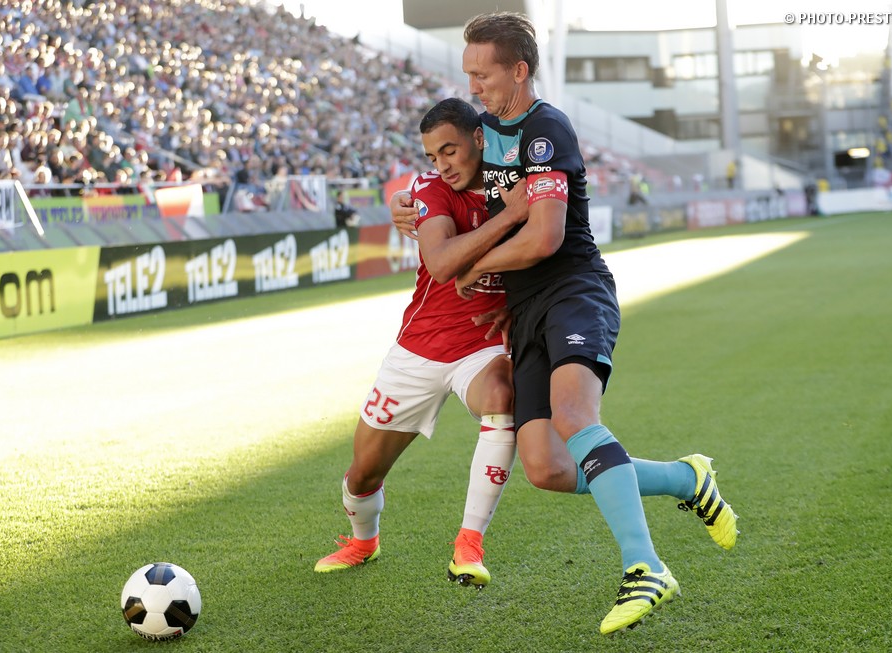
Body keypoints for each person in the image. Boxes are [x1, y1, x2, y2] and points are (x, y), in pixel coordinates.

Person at [450, 12, 736, 635]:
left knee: (575, 416)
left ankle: (646, 567)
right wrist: (408, 206)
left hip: (574, 290)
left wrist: (477, 266)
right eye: (467, 74)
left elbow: (545, 237)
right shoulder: (482, 129)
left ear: (519, 70)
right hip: (525, 310)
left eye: (483, 74)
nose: (473, 86)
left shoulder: (546, 128)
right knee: (547, 468)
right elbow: (445, 179)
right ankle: (686, 477)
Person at [315, 98, 532, 588]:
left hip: (484, 344)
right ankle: (363, 542)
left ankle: (469, 546)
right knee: (362, 474)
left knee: (502, 396)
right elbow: (441, 263)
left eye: (450, 150)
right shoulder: (431, 190)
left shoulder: (515, 181)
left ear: (479, 138)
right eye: (433, 156)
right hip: (420, 348)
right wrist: (508, 218)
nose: (443, 165)